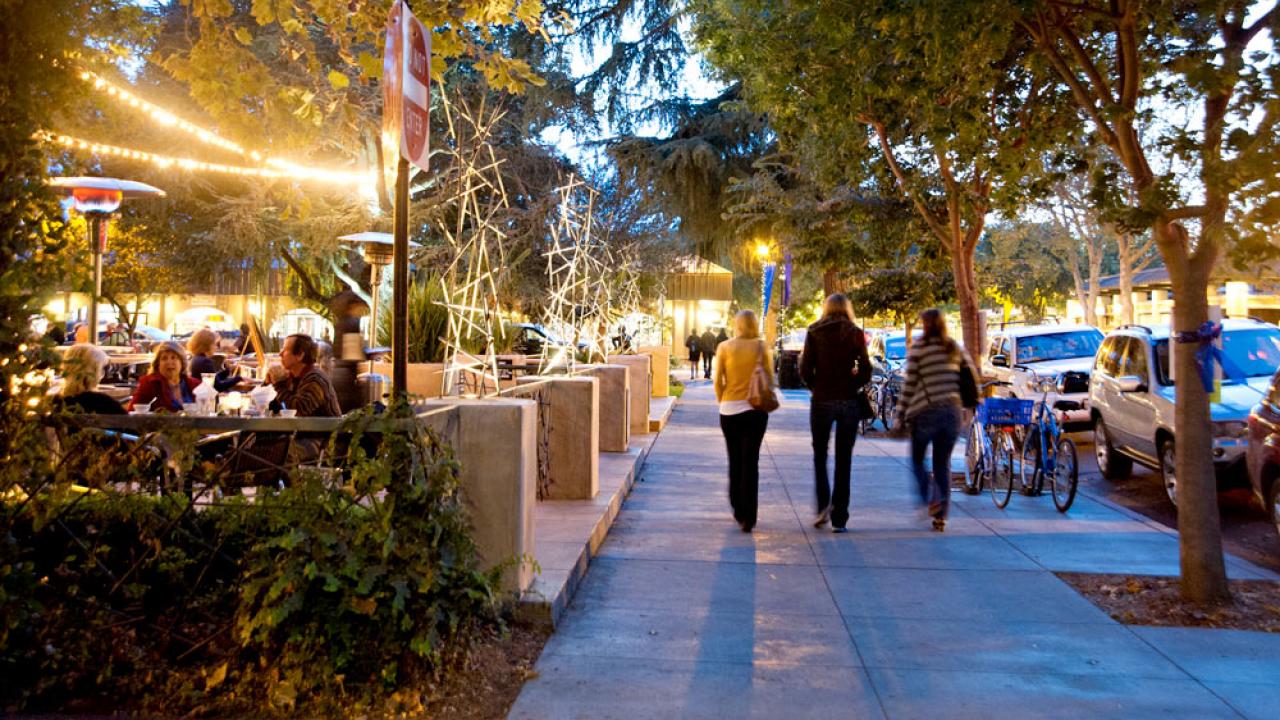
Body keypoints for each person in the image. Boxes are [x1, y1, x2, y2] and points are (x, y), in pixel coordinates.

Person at [895, 308, 973, 532]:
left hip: (925, 412)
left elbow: (910, 384)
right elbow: (969, 378)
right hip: (951, 413)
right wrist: (968, 406)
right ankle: (941, 516)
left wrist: (900, 413)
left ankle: (929, 495)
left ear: (926, 325)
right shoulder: (953, 348)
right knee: (942, 464)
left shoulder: (920, 348)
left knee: (918, 460)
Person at [800, 293, 872, 533]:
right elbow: (866, 368)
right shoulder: (854, 332)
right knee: (844, 459)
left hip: (821, 399)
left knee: (819, 455)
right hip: (848, 401)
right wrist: (854, 384)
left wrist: (816, 385)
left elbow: (804, 367)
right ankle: (840, 517)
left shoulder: (814, 331)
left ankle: (823, 505)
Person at [714, 310, 774, 533]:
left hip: (729, 410)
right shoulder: (761, 346)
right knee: (751, 462)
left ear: (737, 325)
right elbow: (769, 377)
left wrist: (724, 400)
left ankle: (737, 505)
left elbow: (718, 380)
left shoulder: (725, 347)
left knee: (734, 459)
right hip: (755, 410)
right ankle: (749, 515)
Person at [269, 333, 342, 418]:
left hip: (324, 430)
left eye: (285, 350)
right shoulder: (291, 377)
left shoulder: (316, 379)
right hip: (300, 429)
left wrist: (278, 385)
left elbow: (298, 410)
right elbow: (272, 407)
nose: (280, 354)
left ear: (300, 355)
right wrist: (269, 383)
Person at [129, 341, 200, 412]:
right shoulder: (149, 384)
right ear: (158, 364)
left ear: (182, 362)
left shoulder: (195, 384)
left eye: (173, 357)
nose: (169, 362)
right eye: (164, 358)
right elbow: (132, 412)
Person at [56, 343, 124, 414]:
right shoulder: (103, 403)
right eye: (102, 369)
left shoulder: (54, 403)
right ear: (95, 372)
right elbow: (129, 422)